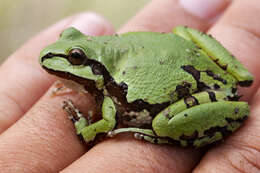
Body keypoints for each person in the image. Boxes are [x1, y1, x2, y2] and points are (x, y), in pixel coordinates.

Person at [0, 0, 259, 172]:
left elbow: (104, 126)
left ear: (93, 65)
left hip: (203, 93)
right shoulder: (104, 64)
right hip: (184, 59)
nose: (62, 61)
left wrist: (82, 127)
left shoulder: (108, 92)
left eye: (76, 58)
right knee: (181, 29)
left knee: (160, 125)